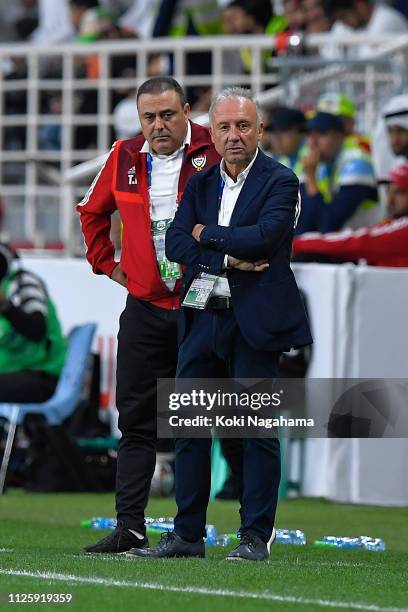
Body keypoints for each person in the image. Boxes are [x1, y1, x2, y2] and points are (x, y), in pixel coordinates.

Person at [128, 87, 312, 562]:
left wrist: (207, 237)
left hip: (254, 322)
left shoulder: (282, 181)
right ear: (211, 132)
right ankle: (188, 536)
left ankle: (255, 535)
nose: (233, 136)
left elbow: (266, 238)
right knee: (189, 425)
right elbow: (175, 244)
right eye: (225, 127)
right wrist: (229, 254)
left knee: (255, 429)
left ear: (259, 130)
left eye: (243, 126)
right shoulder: (202, 183)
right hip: (204, 314)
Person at [77, 76, 220, 554]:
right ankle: (130, 527)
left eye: (168, 115)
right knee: (135, 421)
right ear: (139, 120)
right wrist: (108, 265)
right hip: (143, 308)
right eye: (149, 117)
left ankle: (204, 531)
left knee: (202, 420)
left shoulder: (213, 150)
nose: (158, 125)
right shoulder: (123, 157)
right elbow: (90, 211)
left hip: (200, 304)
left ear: (186, 112)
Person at [292, 164, 408, 266]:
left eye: (399, 193)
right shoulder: (390, 224)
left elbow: (361, 242)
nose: (389, 201)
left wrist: (298, 243)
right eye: (388, 192)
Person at [0, 243, 67, 403]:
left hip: (41, 374)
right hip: (12, 371)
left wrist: (5, 306)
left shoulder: (24, 282)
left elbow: (37, 329)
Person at [297, 111, 379, 234]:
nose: (312, 143)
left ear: (340, 136)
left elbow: (329, 224)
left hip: (367, 245)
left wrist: (311, 179)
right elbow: (304, 222)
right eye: (309, 135)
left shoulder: (356, 163)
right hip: (341, 245)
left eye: (321, 134)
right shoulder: (319, 165)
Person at [268, 106, 308, 179]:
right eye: (273, 131)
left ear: (301, 133)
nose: (277, 138)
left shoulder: (315, 157)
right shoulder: (281, 160)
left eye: (283, 130)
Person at [323, 0, 408, 34]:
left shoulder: (386, 20)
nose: (344, 23)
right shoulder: (345, 28)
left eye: (343, 16)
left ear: (359, 5)